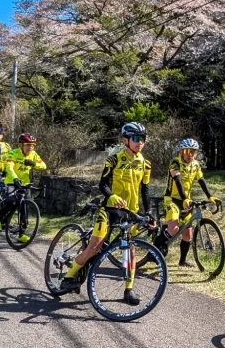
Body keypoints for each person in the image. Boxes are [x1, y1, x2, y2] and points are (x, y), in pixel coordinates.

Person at [58, 122, 154, 304]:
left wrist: (149, 212)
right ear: (125, 140)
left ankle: (129, 290)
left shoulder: (145, 164)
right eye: (136, 138)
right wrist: (113, 196)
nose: (140, 142)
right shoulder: (115, 159)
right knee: (94, 247)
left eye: (143, 139)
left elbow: (146, 190)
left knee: (131, 251)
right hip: (109, 210)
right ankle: (68, 277)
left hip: (130, 212)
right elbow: (103, 184)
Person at [157, 138, 220, 267]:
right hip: (172, 199)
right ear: (181, 151)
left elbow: (201, 180)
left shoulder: (196, 165)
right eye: (187, 151)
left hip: (187, 201)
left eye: (193, 152)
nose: (190, 154)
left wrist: (210, 196)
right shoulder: (175, 163)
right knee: (174, 229)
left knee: (187, 234)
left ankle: (182, 261)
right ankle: (154, 251)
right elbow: (178, 180)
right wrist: (184, 197)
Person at [0, 133, 47, 244]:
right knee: (11, 201)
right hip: (12, 181)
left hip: (25, 183)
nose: (30, 147)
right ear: (21, 145)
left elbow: (44, 166)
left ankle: (22, 234)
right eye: (27, 145)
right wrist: (15, 179)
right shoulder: (13, 153)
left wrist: (34, 163)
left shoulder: (33, 154)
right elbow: (9, 167)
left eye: (32, 145)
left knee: (24, 208)